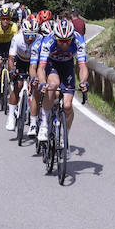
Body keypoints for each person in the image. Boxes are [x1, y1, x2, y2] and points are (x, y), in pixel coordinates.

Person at [35, 17, 88, 145]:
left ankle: (65, 139)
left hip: (67, 65)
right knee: (53, 85)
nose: (64, 44)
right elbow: (41, 67)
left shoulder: (79, 40)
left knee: (67, 106)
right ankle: (44, 124)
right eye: (61, 41)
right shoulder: (48, 41)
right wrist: (42, 83)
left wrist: (83, 82)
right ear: (56, 37)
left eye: (67, 41)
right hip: (52, 64)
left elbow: (82, 66)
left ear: (72, 38)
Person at [0, 6, 19, 101]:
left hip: (9, 45)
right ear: (0, 19)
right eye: (3, 19)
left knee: (11, 65)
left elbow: (16, 42)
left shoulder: (14, 26)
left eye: (7, 19)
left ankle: (11, 83)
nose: (5, 21)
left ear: (10, 19)